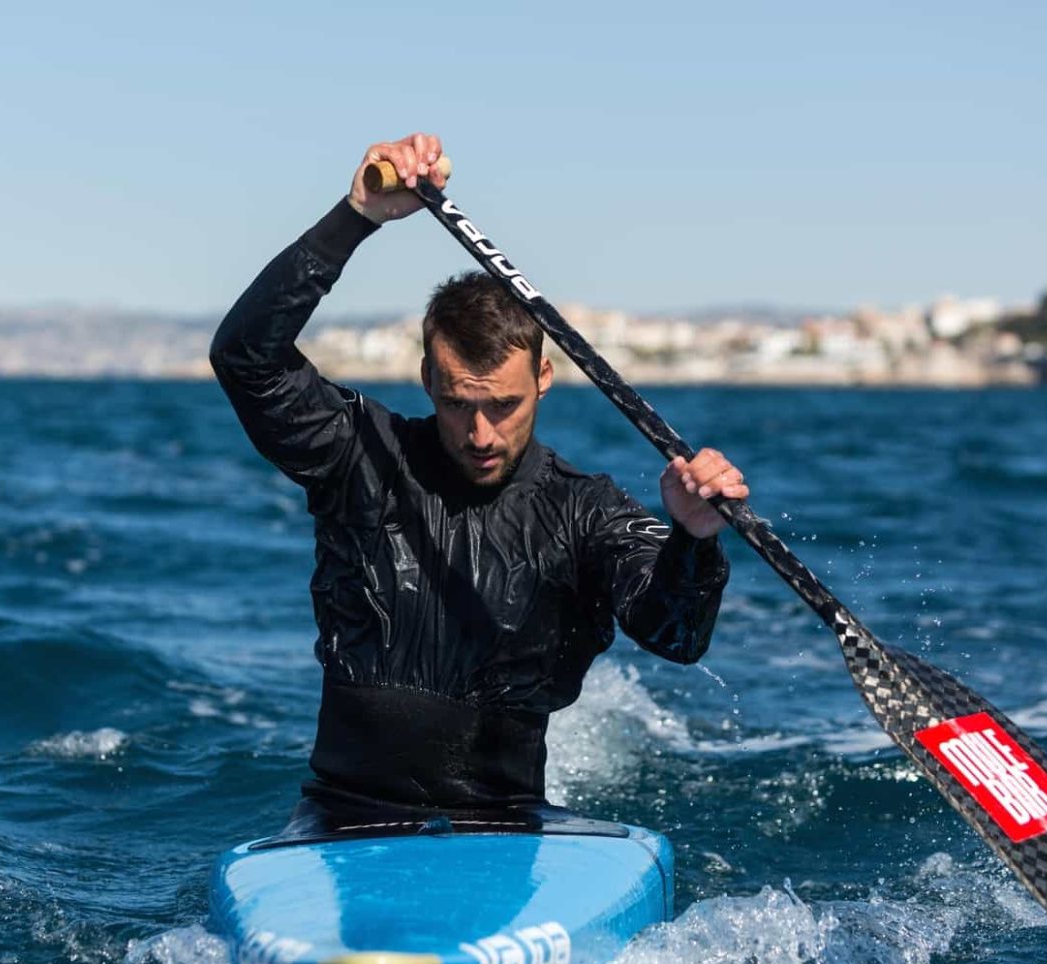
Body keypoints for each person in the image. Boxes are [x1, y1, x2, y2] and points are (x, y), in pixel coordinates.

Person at [210, 132, 749, 834]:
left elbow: (677, 636)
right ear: (428, 378)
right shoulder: (358, 457)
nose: (481, 433)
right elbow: (245, 357)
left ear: (543, 381)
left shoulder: (584, 510)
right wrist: (358, 215)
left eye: (504, 405)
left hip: (503, 823)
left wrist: (693, 540)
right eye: (459, 402)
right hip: (343, 814)